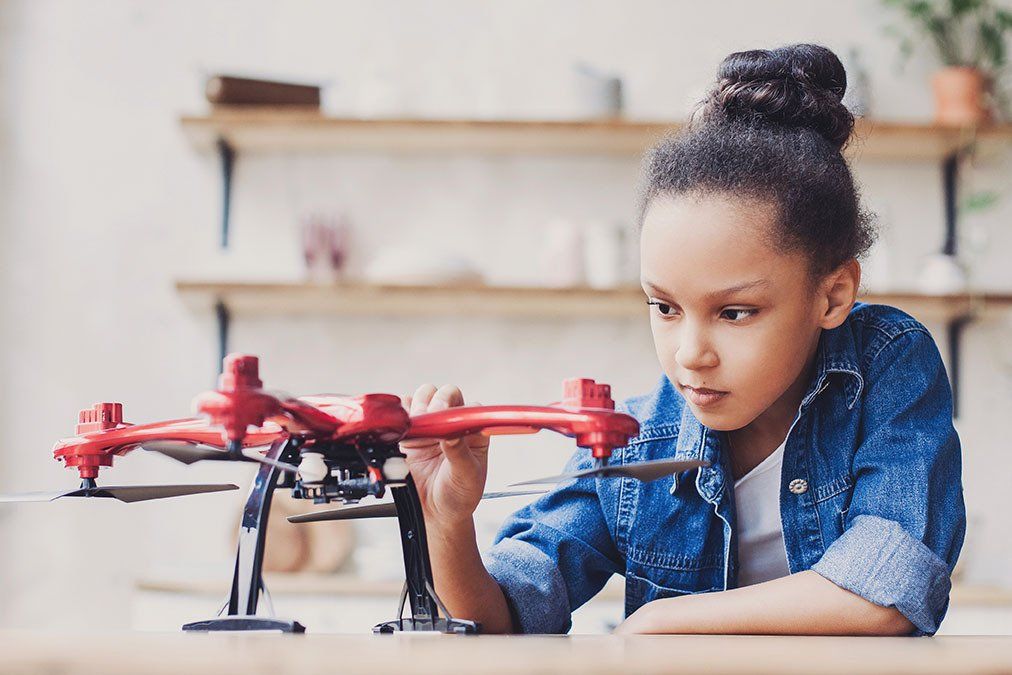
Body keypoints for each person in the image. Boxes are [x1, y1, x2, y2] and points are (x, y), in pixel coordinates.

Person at [399, 44, 965, 637]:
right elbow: (497, 623)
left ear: (832, 296)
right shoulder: (636, 443)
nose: (690, 353)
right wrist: (445, 521)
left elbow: (885, 595)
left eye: (736, 312)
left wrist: (665, 619)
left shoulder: (887, 362)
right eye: (664, 307)